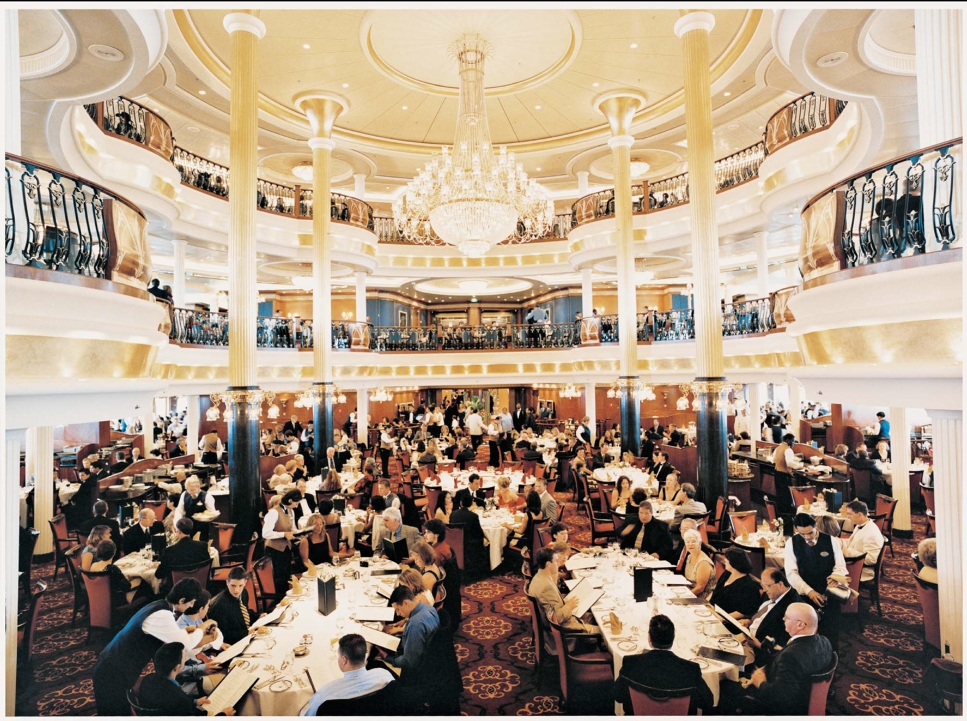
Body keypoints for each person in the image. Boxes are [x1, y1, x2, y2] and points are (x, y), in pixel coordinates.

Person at [92, 578, 213, 715]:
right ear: (182, 600)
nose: (191, 606)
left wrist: (184, 632)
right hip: (112, 672)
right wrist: (202, 628)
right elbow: (185, 645)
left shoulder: (160, 606)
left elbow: (168, 634)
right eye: (191, 602)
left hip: (113, 665)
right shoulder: (162, 615)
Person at [721, 603, 834, 716]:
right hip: (802, 695)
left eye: (787, 617)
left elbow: (780, 697)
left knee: (724, 683)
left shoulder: (791, 656)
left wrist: (760, 683)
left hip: (775, 703)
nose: (783, 619)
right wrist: (774, 648)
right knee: (734, 663)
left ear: (800, 625)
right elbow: (802, 659)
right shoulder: (824, 641)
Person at [612, 614, 713, 715]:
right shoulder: (691, 670)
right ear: (673, 637)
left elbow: (618, 696)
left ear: (649, 638)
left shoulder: (631, 663)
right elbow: (707, 702)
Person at [785, 512, 847, 647]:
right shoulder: (791, 543)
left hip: (829, 591)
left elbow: (841, 567)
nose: (807, 537)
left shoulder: (831, 541)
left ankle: (831, 654)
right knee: (804, 631)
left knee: (831, 629)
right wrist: (809, 591)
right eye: (802, 534)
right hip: (805, 593)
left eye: (810, 533)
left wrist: (835, 577)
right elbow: (791, 573)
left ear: (816, 527)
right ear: (796, 529)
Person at [526, 547, 599, 653]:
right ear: (548, 564)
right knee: (603, 632)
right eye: (556, 561)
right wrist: (568, 606)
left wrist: (566, 603)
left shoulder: (540, 577)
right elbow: (555, 618)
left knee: (594, 616)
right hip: (564, 634)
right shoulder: (546, 587)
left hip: (565, 621)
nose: (558, 563)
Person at [301, 634, 394, 715]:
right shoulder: (385, 676)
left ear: (344, 660)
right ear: (364, 655)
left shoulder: (325, 695)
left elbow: (309, 715)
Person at [138, 642, 234, 716]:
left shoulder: (148, 678)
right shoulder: (180, 700)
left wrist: (195, 702)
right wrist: (224, 715)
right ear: (177, 667)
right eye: (184, 657)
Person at [740, 568, 802, 666]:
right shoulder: (774, 592)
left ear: (780, 584)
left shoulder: (792, 607)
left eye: (767, 586)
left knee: (726, 661)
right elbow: (763, 612)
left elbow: (783, 646)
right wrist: (749, 619)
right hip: (747, 637)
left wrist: (758, 645)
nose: (764, 590)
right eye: (763, 585)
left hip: (759, 653)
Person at [384, 585, 440, 681]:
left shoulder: (415, 624)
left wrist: (388, 658)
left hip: (418, 671)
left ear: (406, 603)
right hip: (432, 657)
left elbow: (409, 662)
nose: (398, 614)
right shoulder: (428, 608)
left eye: (397, 609)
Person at [90, 539, 151, 611]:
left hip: (99, 598)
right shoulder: (112, 569)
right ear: (114, 552)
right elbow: (126, 587)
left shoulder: (93, 565)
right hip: (116, 601)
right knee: (144, 585)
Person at [155, 518, 211, 594]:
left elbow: (159, 574)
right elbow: (206, 565)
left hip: (176, 590)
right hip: (198, 586)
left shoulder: (169, 551)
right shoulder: (202, 546)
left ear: (178, 531)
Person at [262, 489, 301, 593]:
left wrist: (300, 533)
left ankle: (286, 595)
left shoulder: (291, 511)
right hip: (274, 550)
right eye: (296, 503)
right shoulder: (273, 512)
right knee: (278, 578)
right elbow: (265, 533)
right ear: (290, 501)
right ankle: (279, 598)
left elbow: (292, 528)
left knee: (286, 576)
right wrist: (283, 534)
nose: (297, 505)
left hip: (286, 548)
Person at [207, 567, 256, 645]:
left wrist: (258, 616)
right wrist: (246, 633)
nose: (236, 590)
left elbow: (243, 613)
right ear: (227, 582)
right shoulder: (221, 605)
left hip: (244, 633)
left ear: (245, 583)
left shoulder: (244, 592)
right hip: (232, 643)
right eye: (233, 586)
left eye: (240, 585)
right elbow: (224, 635)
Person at [710, 547, 762, 618]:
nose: (725, 560)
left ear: (734, 563)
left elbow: (742, 612)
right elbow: (715, 592)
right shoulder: (727, 574)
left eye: (727, 559)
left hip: (725, 618)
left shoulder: (748, 587)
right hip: (712, 611)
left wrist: (720, 618)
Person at [842, 500, 885, 582]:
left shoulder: (871, 533)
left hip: (861, 571)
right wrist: (840, 542)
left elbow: (871, 559)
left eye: (850, 514)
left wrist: (846, 551)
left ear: (859, 514)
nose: (848, 517)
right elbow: (852, 542)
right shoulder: (860, 525)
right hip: (853, 563)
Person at [449, 492, 489, 578]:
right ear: (471, 504)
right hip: (471, 544)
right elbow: (479, 533)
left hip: (456, 542)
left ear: (460, 503)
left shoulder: (453, 514)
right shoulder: (473, 516)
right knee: (487, 542)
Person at [682, 528, 716, 600]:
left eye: (693, 542)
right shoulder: (689, 556)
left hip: (701, 598)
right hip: (690, 592)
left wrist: (683, 597)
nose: (690, 544)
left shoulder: (703, 562)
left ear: (699, 543)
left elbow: (700, 588)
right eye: (687, 542)